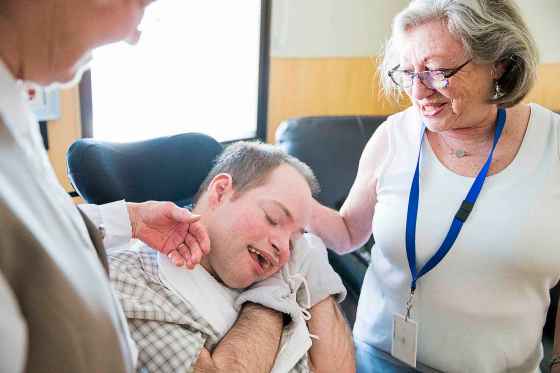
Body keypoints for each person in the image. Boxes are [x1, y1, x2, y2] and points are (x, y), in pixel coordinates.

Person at [308, 0, 560, 372]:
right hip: (378, 359)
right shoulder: (394, 135)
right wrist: (286, 198)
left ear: (499, 64)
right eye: (408, 73)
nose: (419, 92)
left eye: (437, 71)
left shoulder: (553, 144)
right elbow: (347, 233)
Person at [0, 1, 210, 372]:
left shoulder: (14, 104)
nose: (134, 36)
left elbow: (37, 224)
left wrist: (132, 220)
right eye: (141, 3)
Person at [107, 141, 356, 373]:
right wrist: (269, 297)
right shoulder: (130, 287)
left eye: (294, 239)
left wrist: (316, 274)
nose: (283, 248)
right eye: (273, 218)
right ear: (221, 191)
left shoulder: (293, 264)